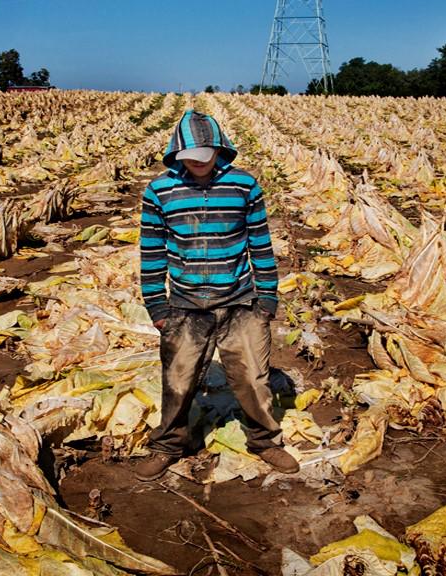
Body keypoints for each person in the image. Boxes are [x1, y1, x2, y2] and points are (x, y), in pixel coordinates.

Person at [135, 109, 299, 481]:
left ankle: (265, 442)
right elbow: (152, 251)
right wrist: (156, 305)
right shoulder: (159, 191)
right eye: (189, 157)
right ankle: (168, 445)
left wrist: (267, 298)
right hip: (185, 305)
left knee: (253, 379)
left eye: (203, 156)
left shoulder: (244, 185)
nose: (196, 163)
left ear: (219, 149)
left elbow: (260, 244)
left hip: (240, 301)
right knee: (178, 381)